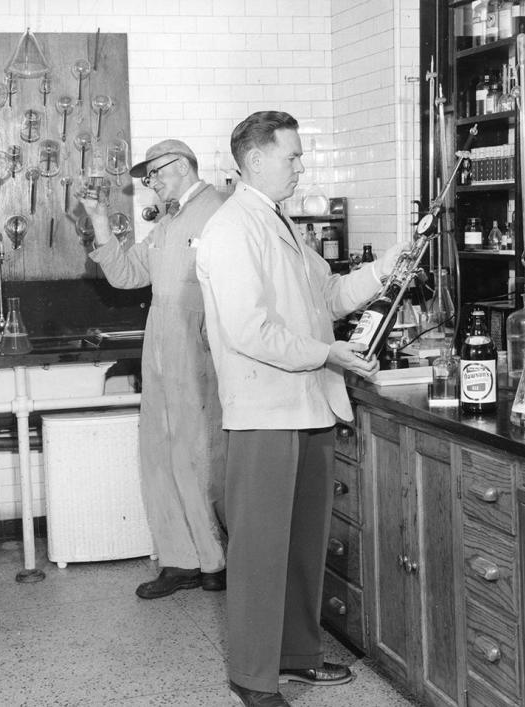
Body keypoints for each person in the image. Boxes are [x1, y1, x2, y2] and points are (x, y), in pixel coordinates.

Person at [196, 111, 402, 706]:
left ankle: (296, 656)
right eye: (292, 156)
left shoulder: (280, 221)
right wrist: (329, 354)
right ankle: (253, 676)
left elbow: (327, 298)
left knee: (301, 545)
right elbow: (249, 331)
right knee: (260, 550)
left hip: (308, 404)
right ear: (255, 160)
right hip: (264, 413)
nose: (301, 166)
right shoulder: (231, 229)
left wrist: (387, 265)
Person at [82, 139, 228, 599]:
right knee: (160, 455)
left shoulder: (223, 211)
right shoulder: (168, 221)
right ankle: (182, 560)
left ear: (183, 166)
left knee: (201, 455)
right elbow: (127, 275)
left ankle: (217, 561)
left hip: (200, 347)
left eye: (157, 174)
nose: (152, 184)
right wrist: (99, 221)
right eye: (149, 179)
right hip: (162, 346)